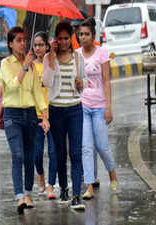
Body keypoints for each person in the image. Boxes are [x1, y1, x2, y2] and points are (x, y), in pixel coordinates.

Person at [0, 26, 50, 215]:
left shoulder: (31, 66)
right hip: (12, 115)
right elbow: (12, 86)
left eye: (23, 39)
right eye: (18, 40)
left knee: (29, 156)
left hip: (30, 114)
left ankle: (28, 193)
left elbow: (37, 92)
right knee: (18, 155)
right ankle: (19, 196)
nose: (22, 43)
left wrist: (44, 116)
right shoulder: (6, 64)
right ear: (10, 44)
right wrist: (24, 67)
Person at [42, 22, 87, 210]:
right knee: (60, 154)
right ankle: (64, 189)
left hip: (75, 110)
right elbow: (46, 81)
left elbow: (83, 83)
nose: (63, 42)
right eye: (59, 38)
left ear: (71, 39)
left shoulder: (78, 58)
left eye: (66, 38)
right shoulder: (48, 58)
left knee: (75, 153)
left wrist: (80, 84)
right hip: (56, 111)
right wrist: (51, 57)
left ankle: (77, 195)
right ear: (55, 40)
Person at [76, 17, 119, 200]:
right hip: (83, 106)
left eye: (86, 34)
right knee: (86, 147)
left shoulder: (102, 53)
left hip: (100, 106)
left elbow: (107, 81)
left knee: (101, 146)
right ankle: (90, 186)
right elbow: (76, 82)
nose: (83, 37)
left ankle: (112, 174)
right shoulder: (76, 55)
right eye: (80, 35)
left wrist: (109, 108)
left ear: (93, 36)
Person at [32, 31, 59, 200]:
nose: (38, 48)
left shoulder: (53, 64)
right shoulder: (31, 66)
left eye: (41, 45)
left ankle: (50, 185)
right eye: (35, 45)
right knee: (36, 153)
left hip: (53, 113)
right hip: (36, 116)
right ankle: (40, 175)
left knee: (53, 152)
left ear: (47, 46)